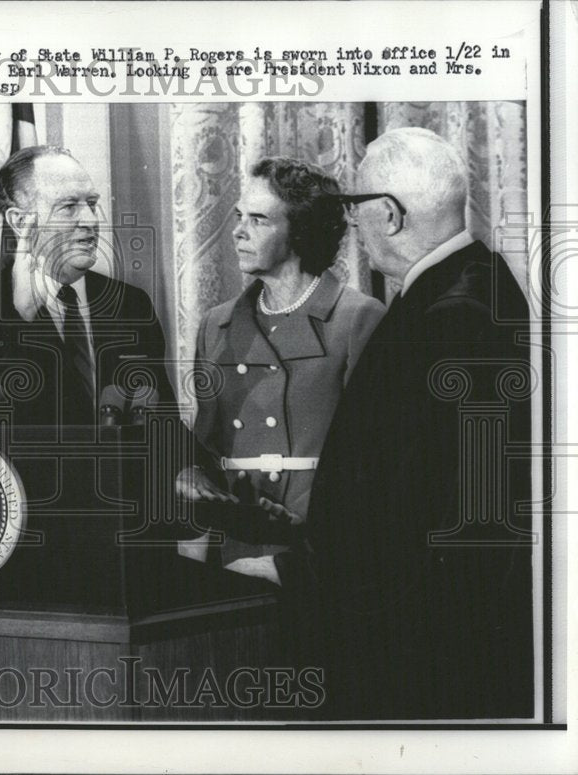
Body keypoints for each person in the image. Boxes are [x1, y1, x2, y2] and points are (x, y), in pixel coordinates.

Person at [275, 127, 534, 719]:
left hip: (421, 659)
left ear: (388, 214)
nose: (352, 228)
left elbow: (422, 515)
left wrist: (293, 563)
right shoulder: (481, 283)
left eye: (353, 209)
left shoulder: (447, 318)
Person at [176, 157, 384, 590]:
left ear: (301, 231)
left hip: (321, 553)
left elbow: (373, 467)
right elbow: (206, 445)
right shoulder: (217, 324)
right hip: (240, 549)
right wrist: (191, 475)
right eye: (239, 217)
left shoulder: (357, 318)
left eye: (259, 220)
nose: (238, 231)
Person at [0, 145, 174, 426]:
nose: (92, 221)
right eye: (69, 207)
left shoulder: (130, 304)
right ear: (20, 222)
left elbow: (163, 421)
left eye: (92, 204)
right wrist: (20, 319)